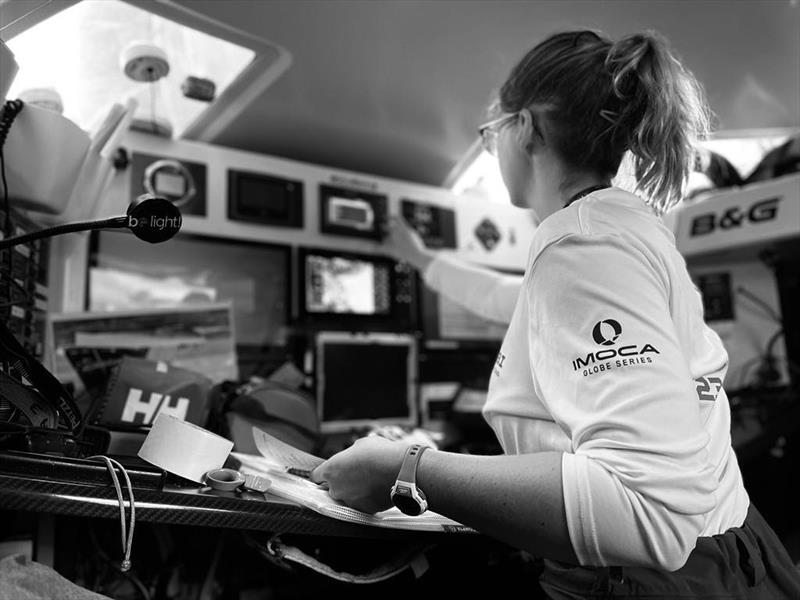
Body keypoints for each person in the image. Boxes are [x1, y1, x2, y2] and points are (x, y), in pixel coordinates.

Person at [310, 29, 800, 598]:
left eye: (491, 132)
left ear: (527, 128)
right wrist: (419, 259)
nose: (492, 147)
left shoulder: (581, 242)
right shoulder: (618, 229)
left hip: (661, 581)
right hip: (725, 560)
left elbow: (647, 508)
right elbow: (511, 303)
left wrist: (405, 465)